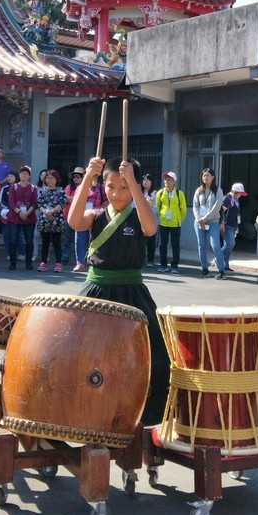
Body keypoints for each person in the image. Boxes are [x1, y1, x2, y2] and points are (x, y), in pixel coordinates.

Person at [68, 155, 170, 426]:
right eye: (110, 186)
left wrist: (135, 186)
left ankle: (143, 418)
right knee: (75, 352)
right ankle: (80, 413)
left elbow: (151, 229)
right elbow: (74, 221)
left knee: (154, 358)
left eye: (123, 187)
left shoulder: (139, 216)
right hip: (97, 291)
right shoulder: (97, 216)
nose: (116, 193)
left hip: (133, 293)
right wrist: (88, 177)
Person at [192, 168, 226, 279]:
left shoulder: (218, 191)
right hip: (199, 222)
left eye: (207, 175)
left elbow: (216, 208)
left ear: (213, 177)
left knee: (215, 245)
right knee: (201, 246)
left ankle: (221, 270)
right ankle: (204, 269)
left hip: (213, 222)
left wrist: (204, 219)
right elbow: (195, 206)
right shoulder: (199, 190)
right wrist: (198, 219)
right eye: (203, 176)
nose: (205, 178)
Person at [7, 165, 38, 270]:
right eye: (22, 173)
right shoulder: (13, 187)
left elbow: (35, 203)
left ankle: (28, 263)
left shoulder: (33, 188)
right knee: (13, 240)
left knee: (29, 241)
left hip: (29, 218)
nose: (23, 175)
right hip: (15, 217)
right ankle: (12, 263)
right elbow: (11, 202)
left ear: (29, 176)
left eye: (26, 173)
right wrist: (20, 212)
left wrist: (27, 213)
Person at [156, 171, 187, 274]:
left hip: (175, 224)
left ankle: (175, 266)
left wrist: (179, 219)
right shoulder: (160, 193)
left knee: (175, 245)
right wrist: (161, 216)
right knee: (163, 245)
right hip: (163, 223)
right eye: (165, 179)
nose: (166, 181)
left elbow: (183, 209)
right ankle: (163, 265)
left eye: (169, 179)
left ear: (174, 182)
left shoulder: (179, 194)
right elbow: (158, 207)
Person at [36, 169, 66, 272]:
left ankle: (58, 263)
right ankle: (43, 262)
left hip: (57, 220)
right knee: (45, 242)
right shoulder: (42, 190)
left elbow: (62, 204)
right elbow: (39, 204)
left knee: (57, 242)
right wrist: (46, 212)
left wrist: (52, 211)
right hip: (45, 220)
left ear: (56, 180)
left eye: (52, 178)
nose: (49, 180)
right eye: (47, 178)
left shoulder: (61, 190)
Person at [221, 182, 248, 274]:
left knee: (228, 245)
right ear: (235, 192)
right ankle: (218, 258)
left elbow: (237, 215)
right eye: (240, 193)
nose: (241, 195)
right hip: (226, 224)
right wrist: (222, 224)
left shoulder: (236, 200)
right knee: (230, 243)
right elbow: (221, 212)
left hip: (233, 225)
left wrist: (237, 226)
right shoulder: (227, 199)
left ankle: (225, 265)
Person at [0, 170, 24, 261]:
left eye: (11, 176)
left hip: (18, 214)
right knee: (7, 234)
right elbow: (1, 202)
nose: (9, 178)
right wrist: (10, 208)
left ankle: (21, 253)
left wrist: (16, 209)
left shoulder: (20, 187)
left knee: (19, 234)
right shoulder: (4, 188)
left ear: (16, 177)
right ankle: (10, 253)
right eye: (8, 176)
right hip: (6, 213)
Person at [63, 167, 84, 267]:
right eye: (74, 177)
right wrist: (77, 199)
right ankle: (65, 258)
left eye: (78, 176)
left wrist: (73, 199)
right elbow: (65, 198)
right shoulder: (69, 187)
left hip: (82, 217)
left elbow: (86, 199)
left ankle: (81, 260)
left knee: (81, 240)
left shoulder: (86, 187)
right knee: (67, 239)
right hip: (68, 216)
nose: (75, 178)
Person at [141, 174, 157, 267]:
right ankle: (141, 258)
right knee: (141, 241)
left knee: (151, 241)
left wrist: (148, 207)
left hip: (151, 220)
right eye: (144, 180)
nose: (145, 182)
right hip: (141, 221)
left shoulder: (155, 193)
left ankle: (150, 260)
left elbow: (156, 208)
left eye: (147, 180)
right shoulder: (140, 192)